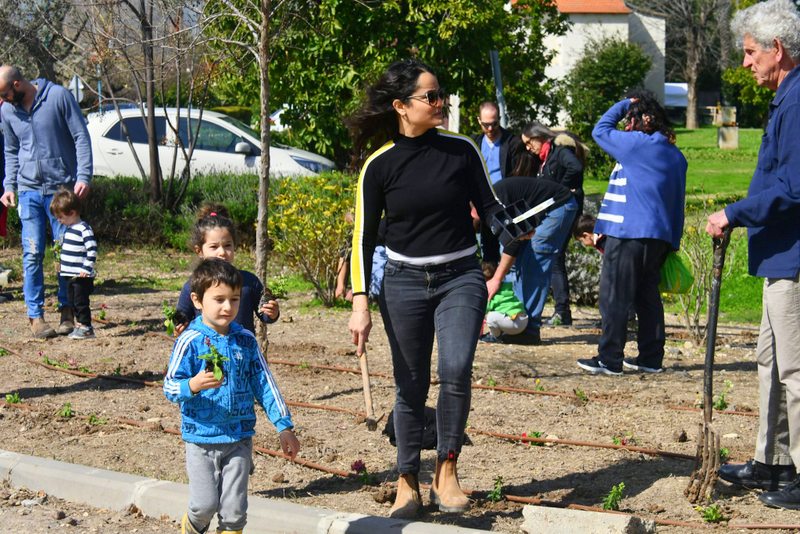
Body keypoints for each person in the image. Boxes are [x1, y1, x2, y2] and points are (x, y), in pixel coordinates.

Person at [346, 59, 506, 518]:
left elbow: (489, 207)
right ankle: (406, 480)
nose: (442, 103)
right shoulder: (379, 165)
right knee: (410, 384)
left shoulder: (461, 150)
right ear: (401, 106)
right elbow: (363, 238)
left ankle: (447, 470)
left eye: (442, 95)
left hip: (460, 276)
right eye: (431, 97)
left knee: (456, 369)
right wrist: (361, 302)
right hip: (403, 282)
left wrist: (509, 231)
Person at [705, 0, 800, 509]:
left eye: (749, 53)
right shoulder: (785, 99)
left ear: (777, 50)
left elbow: (796, 186)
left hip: (794, 258)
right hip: (778, 257)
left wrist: (734, 213)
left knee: (796, 370)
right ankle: (773, 460)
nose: (745, 63)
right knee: (770, 361)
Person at [164, 258, 300, 534]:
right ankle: (192, 527)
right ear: (197, 300)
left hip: (239, 437)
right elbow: (169, 387)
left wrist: (284, 426)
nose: (228, 307)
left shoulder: (245, 340)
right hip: (201, 438)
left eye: (234, 299)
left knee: (235, 512)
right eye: (219, 299)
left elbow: (264, 383)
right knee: (204, 505)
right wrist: (193, 384)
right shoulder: (189, 341)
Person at [577, 91, 686, 376]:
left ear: (645, 119)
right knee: (647, 296)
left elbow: (600, 130)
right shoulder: (676, 155)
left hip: (628, 233)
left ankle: (609, 358)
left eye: (632, 119)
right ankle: (651, 357)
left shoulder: (638, 144)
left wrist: (627, 103)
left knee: (615, 296)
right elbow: (678, 200)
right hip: (658, 236)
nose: (627, 125)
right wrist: (673, 240)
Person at [0, 65, 92, 338]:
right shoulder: (7, 111)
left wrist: (84, 175)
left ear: (17, 84)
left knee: (68, 252)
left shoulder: (59, 97)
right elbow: (11, 149)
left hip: (60, 190)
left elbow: (80, 137)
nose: (2, 101)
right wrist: (9, 184)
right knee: (32, 253)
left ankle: (67, 311)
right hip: (28, 192)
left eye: (4, 94)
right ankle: (36, 316)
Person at [481, 176, 577, 345]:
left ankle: (529, 330)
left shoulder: (494, 203)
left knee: (535, 263)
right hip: (536, 213)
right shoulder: (484, 215)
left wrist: (496, 280)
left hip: (557, 205)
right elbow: (490, 254)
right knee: (514, 266)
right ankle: (512, 324)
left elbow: (513, 242)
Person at [518, 122, 587, 326]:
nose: (528, 148)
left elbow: (576, 167)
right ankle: (561, 310)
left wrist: (561, 189)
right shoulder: (545, 158)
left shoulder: (559, 152)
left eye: (529, 143)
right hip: (557, 209)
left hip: (565, 209)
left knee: (555, 257)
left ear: (539, 137)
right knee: (556, 257)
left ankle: (562, 311)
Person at [175, 205, 279, 336]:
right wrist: (178, 327)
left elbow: (264, 314)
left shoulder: (249, 282)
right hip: (206, 353)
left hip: (242, 352)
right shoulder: (193, 285)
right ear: (199, 251)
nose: (222, 252)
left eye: (227, 245)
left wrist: (272, 312)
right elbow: (180, 316)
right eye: (214, 246)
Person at [49, 188, 97, 340]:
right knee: (72, 302)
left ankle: (86, 327)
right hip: (69, 274)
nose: (59, 220)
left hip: (81, 275)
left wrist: (86, 268)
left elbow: (92, 249)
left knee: (81, 302)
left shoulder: (83, 229)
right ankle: (79, 325)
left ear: (72, 212)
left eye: (60, 217)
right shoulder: (69, 229)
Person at [472, 101, 524, 184]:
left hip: (504, 193)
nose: (490, 128)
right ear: (479, 120)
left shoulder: (513, 143)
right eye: (486, 125)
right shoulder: (475, 143)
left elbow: (518, 176)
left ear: (499, 119)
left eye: (494, 124)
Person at [479, 261, 528, 343]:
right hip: (523, 320)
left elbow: (484, 308)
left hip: (514, 323)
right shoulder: (506, 289)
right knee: (497, 313)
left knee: (490, 316)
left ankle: (495, 337)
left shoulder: (493, 292)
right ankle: (502, 333)